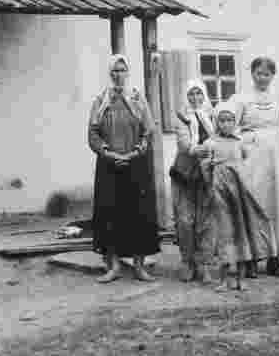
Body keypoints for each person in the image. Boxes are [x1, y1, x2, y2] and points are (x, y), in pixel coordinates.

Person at [88, 54, 160, 283]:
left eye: (122, 70)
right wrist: (108, 153)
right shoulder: (100, 100)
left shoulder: (138, 98)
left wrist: (135, 152)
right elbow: (92, 133)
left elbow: (148, 130)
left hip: (135, 163)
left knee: (138, 213)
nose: (119, 75)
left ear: (128, 73)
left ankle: (139, 266)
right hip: (109, 165)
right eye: (115, 71)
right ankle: (114, 266)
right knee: (110, 213)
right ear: (110, 74)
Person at [198, 103, 277, 291]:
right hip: (220, 190)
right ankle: (225, 279)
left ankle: (241, 278)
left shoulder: (240, 142)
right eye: (222, 121)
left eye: (230, 120)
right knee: (225, 234)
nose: (226, 124)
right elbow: (204, 168)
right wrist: (210, 185)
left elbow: (247, 165)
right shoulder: (211, 143)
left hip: (239, 191)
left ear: (235, 122)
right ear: (217, 122)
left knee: (242, 230)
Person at [229, 56, 279, 276]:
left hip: (275, 155)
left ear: (273, 76)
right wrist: (243, 143)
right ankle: (253, 258)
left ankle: (275, 257)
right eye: (259, 73)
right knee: (255, 204)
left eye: (267, 74)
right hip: (252, 155)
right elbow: (230, 124)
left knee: (276, 204)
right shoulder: (241, 98)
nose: (263, 78)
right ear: (252, 73)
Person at [171, 79, 217, 283]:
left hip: (207, 173)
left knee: (205, 219)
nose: (196, 98)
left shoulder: (213, 116)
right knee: (185, 219)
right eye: (191, 94)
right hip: (186, 173)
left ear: (204, 95)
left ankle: (204, 263)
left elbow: (221, 136)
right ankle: (187, 261)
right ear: (186, 96)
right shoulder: (182, 116)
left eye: (199, 93)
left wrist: (213, 146)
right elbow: (184, 144)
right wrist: (202, 148)